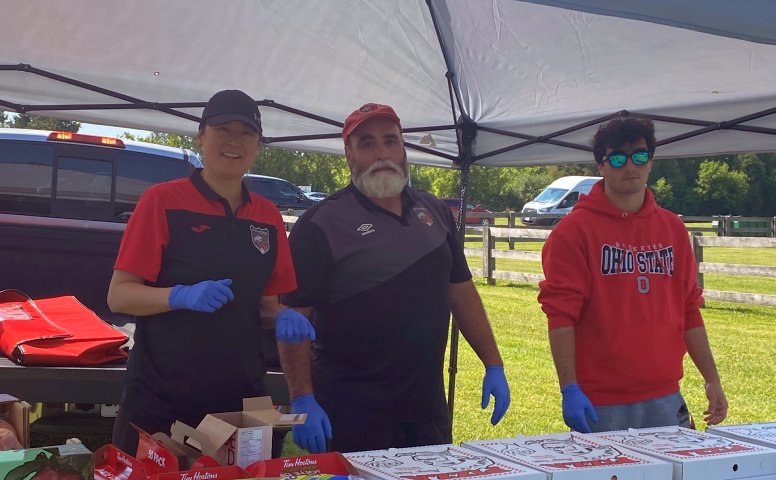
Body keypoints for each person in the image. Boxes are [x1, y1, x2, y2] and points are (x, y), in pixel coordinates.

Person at [278, 102, 511, 454]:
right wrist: (302, 398)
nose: (382, 152)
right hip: (351, 411)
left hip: (425, 407)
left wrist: (493, 363)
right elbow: (295, 318)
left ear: (403, 147)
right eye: (367, 143)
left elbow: (461, 292)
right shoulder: (321, 223)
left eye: (390, 140)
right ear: (349, 154)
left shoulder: (435, 211)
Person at [107, 89, 314, 456]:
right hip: (162, 403)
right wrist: (180, 295)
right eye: (223, 129)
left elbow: (265, 304)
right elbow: (120, 294)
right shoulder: (162, 201)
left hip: (240, 403)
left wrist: (281, 316)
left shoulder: (267, 217)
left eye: (246, 133)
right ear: (201, 136)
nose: (234, 140)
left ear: (257, 145)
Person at [538, 117, 728, 434]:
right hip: (600, 400)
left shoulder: (673, 229)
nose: (630, 166)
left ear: (651, 162)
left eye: (639, 156)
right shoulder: (574, 232)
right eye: (617, 158)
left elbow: (689, 309)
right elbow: (560, 316)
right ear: (601, 165)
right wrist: (569, 387)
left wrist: (711, 378)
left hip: (665, 395)